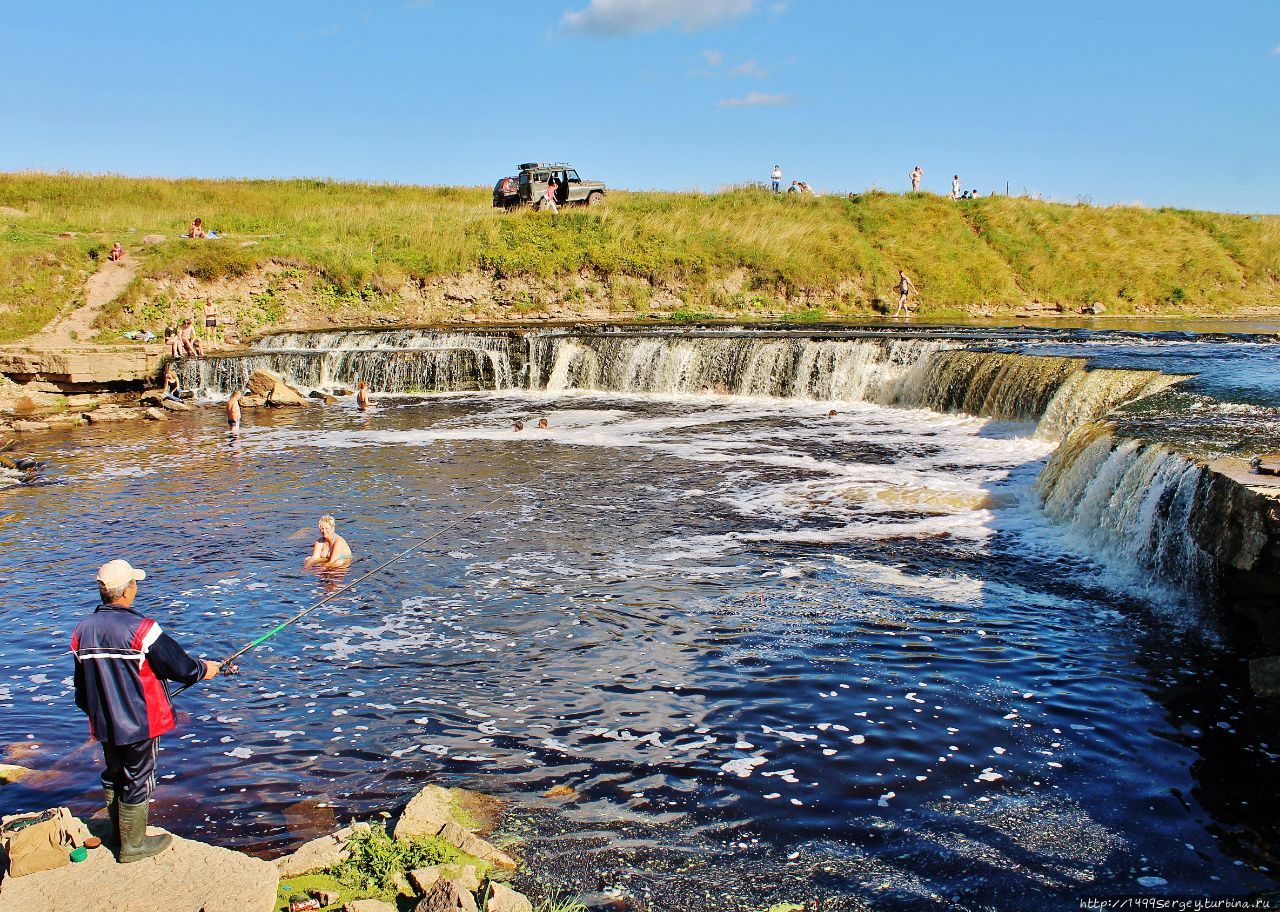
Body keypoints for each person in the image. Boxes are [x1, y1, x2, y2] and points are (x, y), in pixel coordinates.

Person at [72, 560, 221, 863]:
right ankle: (133, 845)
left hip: (104, 721)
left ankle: (118, 834)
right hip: (141, 721)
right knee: (139, 777)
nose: (136, 588)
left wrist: (96, 712)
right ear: (127, 590)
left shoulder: (82, 630)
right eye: (134, 583)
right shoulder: (143, 629)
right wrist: (205, 669)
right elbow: (179, 666)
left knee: (114, 773)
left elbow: (81, 687)